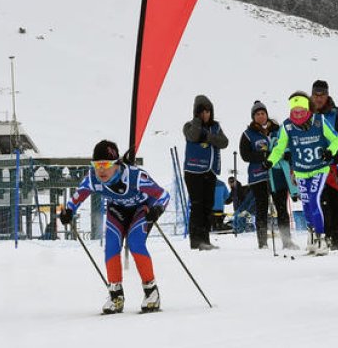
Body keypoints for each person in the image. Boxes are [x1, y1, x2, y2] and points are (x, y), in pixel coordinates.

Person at [59, 140, 170, 314]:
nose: (100, 170)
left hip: (140, 210)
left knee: (135, 243)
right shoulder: (93, 179)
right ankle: (116, 296)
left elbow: (163, 194)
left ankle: (151, 292)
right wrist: (68, 211)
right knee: (111, 246)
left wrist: (157, 209)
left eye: (105, 164)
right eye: (96, 165)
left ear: (116, 164)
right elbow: (77, 197)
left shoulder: (134, 176)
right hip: (117, 211)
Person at [264, 92, 338, 255]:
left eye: (301, 111)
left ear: (308, 110)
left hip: (319, 168)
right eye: (295, 112)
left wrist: (330, 151)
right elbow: (279, 148)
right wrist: (270, 161)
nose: (298, 115)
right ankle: (312, 234)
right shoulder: (287, 126)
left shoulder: (319, 121)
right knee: (306, 203)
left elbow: (337, 139)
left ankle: (322, 238)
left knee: (314, 199)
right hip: (300, 171)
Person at [239, 101, 297, 249]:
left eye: (262, 113)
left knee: (281, 207)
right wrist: (265, 155)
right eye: (257, 114)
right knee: (261, 208)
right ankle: (263, 242)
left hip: (278, 174)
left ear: (267, 114)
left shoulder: (278, 130)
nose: (260, 116)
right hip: (258, 176)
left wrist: (286, 155)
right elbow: (245, 155)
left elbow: (288, 146)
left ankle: (287, 240)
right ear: (253, 117)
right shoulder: (248, 134)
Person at [182, 94, 228, 250]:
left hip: (211, 171)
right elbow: (194, 136)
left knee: (208, 205)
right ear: (196, 112)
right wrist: (198, 123)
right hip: (194, 171)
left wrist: (207, 137)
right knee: (197, 205)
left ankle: (205, 239)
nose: (205, 115)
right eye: (202, 112)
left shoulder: (216, 127)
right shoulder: (189, 126)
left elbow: (224, 142)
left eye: (208, 111)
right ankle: (196, 241)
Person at [310, 79, 338, 250]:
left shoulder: (337, 114)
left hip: (334, 166)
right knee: (319, 202)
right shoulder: (306, 114)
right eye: (316, 95)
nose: (319, 99)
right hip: (313, 166)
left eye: (322, 95)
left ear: (327, 95)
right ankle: (321, 237)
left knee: (335, 202)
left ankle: (336, 239)